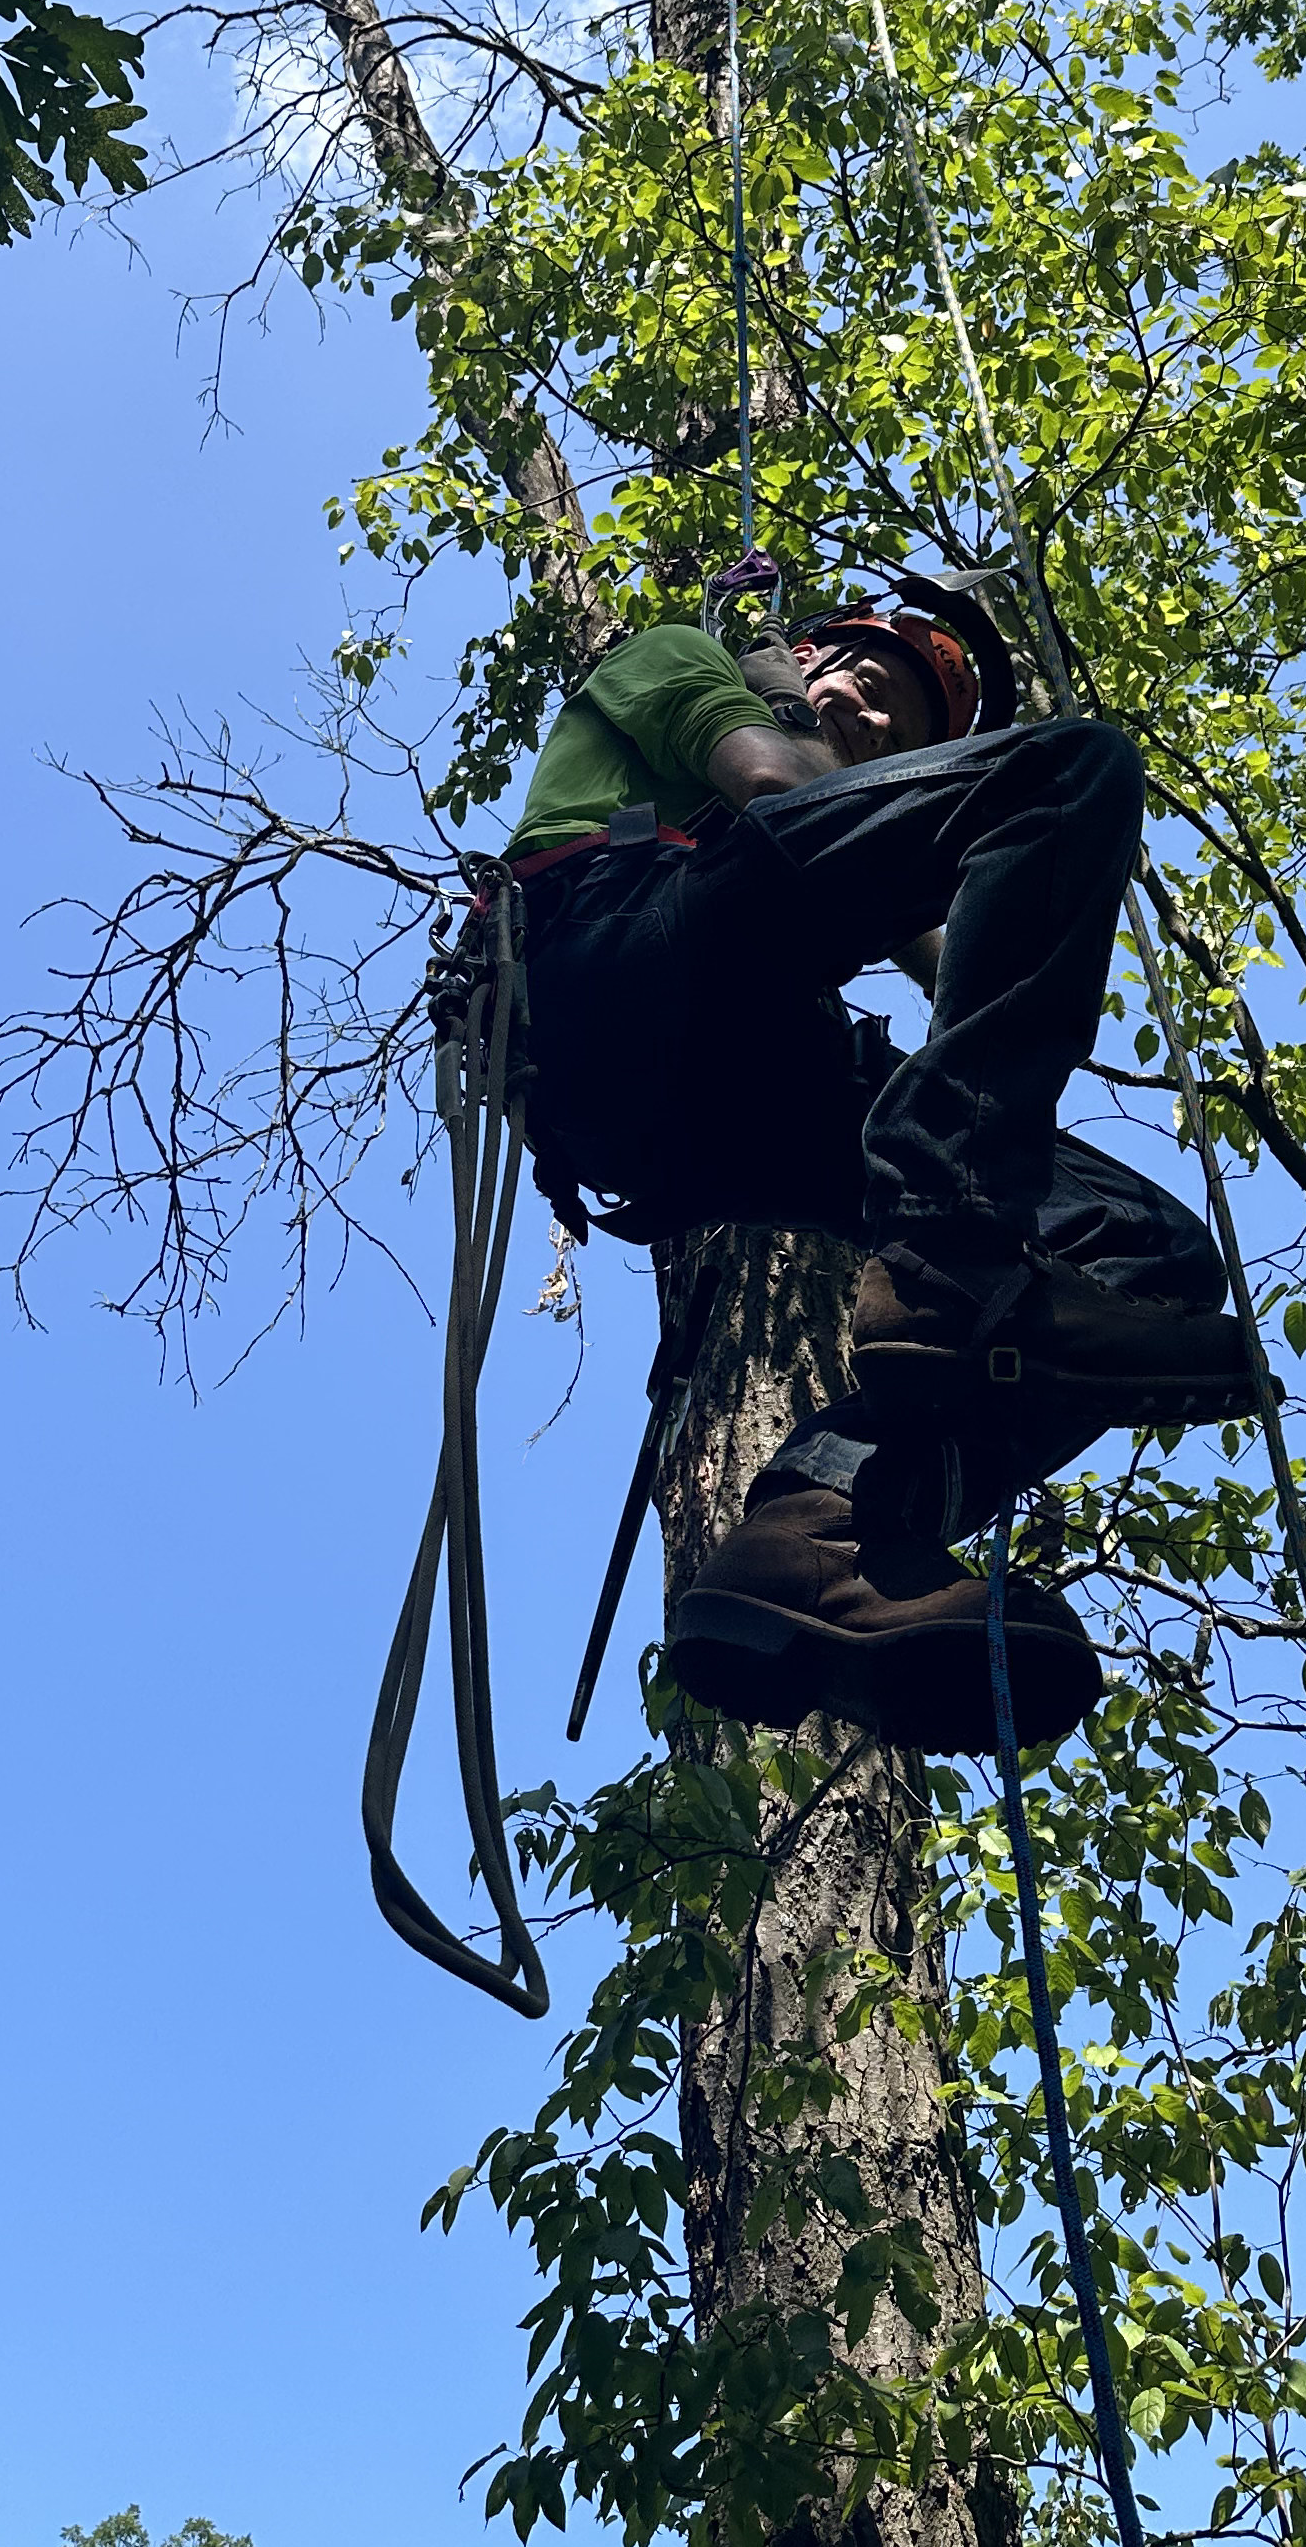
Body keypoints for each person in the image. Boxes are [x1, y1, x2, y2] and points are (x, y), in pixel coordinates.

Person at [503, 599, 1258, 1751]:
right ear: (800, 660)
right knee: (1071, 770)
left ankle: (826, 1526)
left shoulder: (829, 800)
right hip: (609, 967)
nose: (867, 715)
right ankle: (947, 1257)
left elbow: (952, 949)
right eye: (858, 682)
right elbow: (771, 785)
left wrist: (976, 865)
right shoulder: (682, 664)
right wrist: (811, 720)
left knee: (1147, 1249)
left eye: (900, 725)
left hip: (721, 1089)